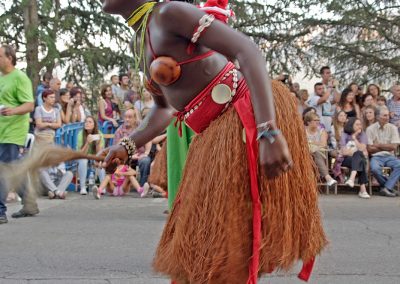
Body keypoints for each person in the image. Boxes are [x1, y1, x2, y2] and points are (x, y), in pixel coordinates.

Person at [100, 1, 326, 283]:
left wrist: (267, 130)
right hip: (214, 132)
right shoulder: (143, 35)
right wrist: (127, 145)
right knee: (205, 243)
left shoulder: (169, 13)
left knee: (226, 244)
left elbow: (247, 50)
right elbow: (165, 107)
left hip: (243, 115)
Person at [0, 44, 37, 223]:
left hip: (13, 131)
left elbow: (29, 105)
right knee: (15, 167)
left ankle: (0, 211)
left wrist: (13, 111)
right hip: (1, 131)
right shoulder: (1, 78)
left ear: (10, 58)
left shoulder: (20, 78)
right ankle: (29, 204)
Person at [366, 107, 400, 197]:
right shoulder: (370, 129)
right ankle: (388, 187)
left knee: (399, 165)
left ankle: (385, 188)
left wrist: (377, 145)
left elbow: (393, 146)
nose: (387, 117)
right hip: (376, 157)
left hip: (390, 156)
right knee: (375, 169)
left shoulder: (393, 128)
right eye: (385, 115)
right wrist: (386, 147)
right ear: (377, 117)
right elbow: (369, 148)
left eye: (388, 115)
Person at [304, 112, 337, 187]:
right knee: (313, 153)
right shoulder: (303, 131)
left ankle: (327, 178)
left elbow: (323, 144)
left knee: (316, 152)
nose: (318, 122)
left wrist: (310, 142)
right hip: (307, 154)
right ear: (308, 122)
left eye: (318, 120)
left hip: (321, 153)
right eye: (315, 120)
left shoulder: (322, 130)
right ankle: (328, 178)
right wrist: (315, 144)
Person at [339, 117, 370, 198]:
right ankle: (362, 190)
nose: (360, 126)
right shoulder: (344, 134)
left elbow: (362, 148)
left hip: (357, 159)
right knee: (360, 157)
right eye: (357, 124)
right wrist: (356, 151)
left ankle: (352, 179)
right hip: (345, 160)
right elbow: (344, 152)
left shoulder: (363, 134)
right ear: (351, 125)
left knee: (359, 157)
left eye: (360, 124)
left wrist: (354, 138)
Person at [77, 116, 106, 195]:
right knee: (83, 160)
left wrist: (98, 143)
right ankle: (83, 187)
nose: (87, 123)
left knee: (100, 161)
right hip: (84, 156)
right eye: (86, 121)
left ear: (94, 125)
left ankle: (102, 187)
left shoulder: (99, 134)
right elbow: (81, 154)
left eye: (90, 122)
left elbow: (99, 154)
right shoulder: (80, 134)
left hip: (95, 156)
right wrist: (87, 142)